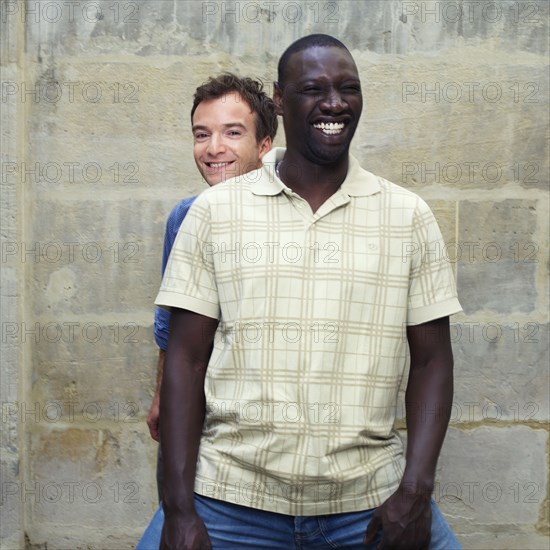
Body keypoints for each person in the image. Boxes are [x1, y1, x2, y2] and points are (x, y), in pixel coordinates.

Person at [149, 34, 463, 550]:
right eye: (314, 89)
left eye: (348, 88)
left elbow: (433, 362)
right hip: (231, 499)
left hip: (368, 501)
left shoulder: (408, 216)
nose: (334, 102)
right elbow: (185, 359)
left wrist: (414, 492)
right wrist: (179, 510)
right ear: (279, 99)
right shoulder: (214, 213)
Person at [145, 73, 278, 502]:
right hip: (197, 414)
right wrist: (162, 396)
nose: (213, 148)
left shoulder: (292, 215)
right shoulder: (185, 217)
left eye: (232, 133)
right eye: (202, 134)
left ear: (264, 144)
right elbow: (170, 324)